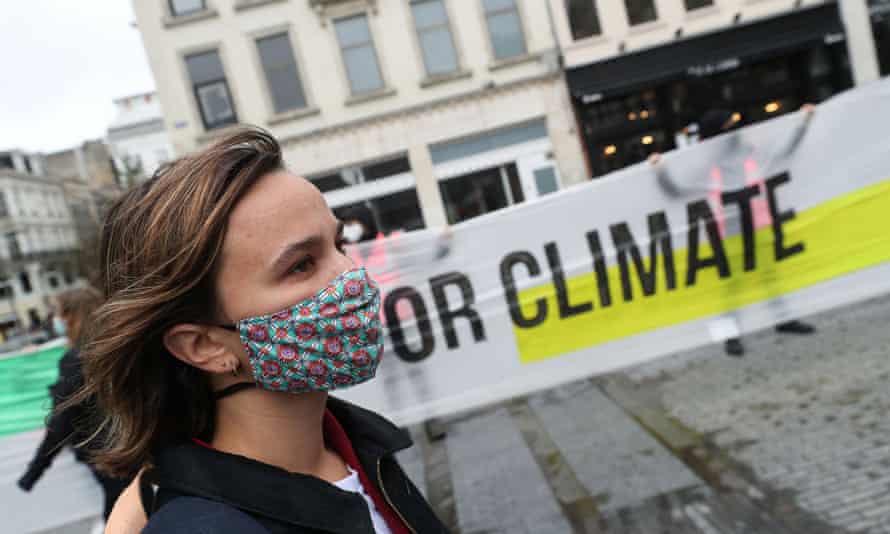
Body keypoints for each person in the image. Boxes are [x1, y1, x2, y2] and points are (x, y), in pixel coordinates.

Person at [73, 128, 447, 533]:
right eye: (301, 265)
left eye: (338, 245)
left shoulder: (358, 450)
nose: (352, 275)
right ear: (203, 345)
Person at [651, 107, 816, 357]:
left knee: (769, 275)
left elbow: (784, 153)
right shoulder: (710, 166)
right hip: (732, 232)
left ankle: (783, 319)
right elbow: (676, 191)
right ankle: (729, 335)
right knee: (732, 285)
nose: (735, 129)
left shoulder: (749, 153)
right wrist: (659, 169)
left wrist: (804, 122)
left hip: (758, 224)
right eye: (728, 125)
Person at [17, 287, 130, 521]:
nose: (56, 320)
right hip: (132, 447)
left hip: (105, 455)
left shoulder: (75, 361)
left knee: (120, 517)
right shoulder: (119, 348)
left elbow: (62, 421)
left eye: (58, 313)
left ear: (71, 317)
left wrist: (34, 470)